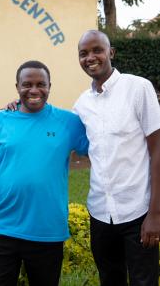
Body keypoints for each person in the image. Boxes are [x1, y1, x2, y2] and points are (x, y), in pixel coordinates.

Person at [0, 60, 88, 286]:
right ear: (17, 87)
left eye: (40, 84)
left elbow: (100, 149)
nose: (34, 90)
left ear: (50, 86)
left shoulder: (69, 122)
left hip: (47, 231)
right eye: (27, 84)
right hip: (1, 228)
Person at [74, 30, 160, 286]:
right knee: (109, 279)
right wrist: (19, 106)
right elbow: (52, 123)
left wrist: (155, 213)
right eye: (83, 53)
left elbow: (157, 151)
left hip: (138, 210)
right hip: (100, 212)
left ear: (111, 52)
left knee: (143, 282)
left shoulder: (138, 88)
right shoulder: (82, 104)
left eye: (97, 50)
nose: (90, 57)